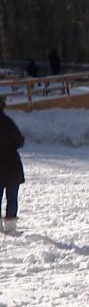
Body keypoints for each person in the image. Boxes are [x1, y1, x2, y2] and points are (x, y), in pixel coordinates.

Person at [0, 97, 24, 234]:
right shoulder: (9, 123)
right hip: (12, 166)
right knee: (12, 198)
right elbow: (20, 141)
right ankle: (10, 228)